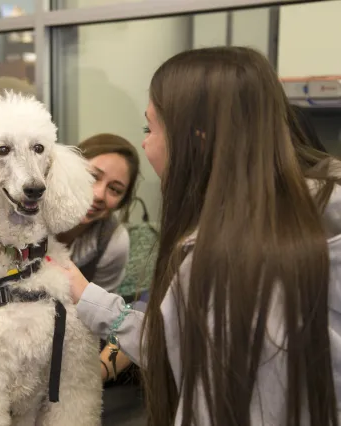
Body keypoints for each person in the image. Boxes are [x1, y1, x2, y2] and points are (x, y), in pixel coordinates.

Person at [52, 46, 341, 426]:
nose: (146, 143)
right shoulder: (305, 214)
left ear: (196, 138)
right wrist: (88, 296)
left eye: (149, 128)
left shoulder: (217, 256)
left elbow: (189, 357)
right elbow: (182, 338)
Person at [55, 134, 141, 383]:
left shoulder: (112, 241)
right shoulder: (29, 212)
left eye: (114, 190)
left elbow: (95, 321)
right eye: (93, 176)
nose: (99, 194)